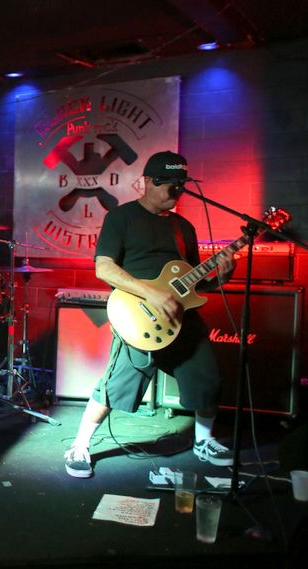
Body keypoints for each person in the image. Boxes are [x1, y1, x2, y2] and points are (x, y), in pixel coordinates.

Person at [63, 151, 235, 478]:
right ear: (146, 182)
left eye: (179, 185)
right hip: (138, 316)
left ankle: (203, 441)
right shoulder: (122, 218)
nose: (174, 191)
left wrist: (220, 279)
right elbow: (104, 268)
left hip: (180, 318)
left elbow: (193, 285)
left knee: (208, 378)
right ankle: (80, 445)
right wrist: (150, 293)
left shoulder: (184, 228)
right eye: (166, 183)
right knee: (116, 385)